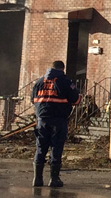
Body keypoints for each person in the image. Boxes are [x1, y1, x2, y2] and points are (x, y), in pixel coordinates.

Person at [30, 60, 79, 188]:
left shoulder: (39, 82)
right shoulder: (65, 82)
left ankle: (37, 179)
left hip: (42, 119)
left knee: (41, 147)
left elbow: (32, 99)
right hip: (58, 119)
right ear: (63, 69)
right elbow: (76, 99)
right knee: (56, 148)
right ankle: (54, 179)